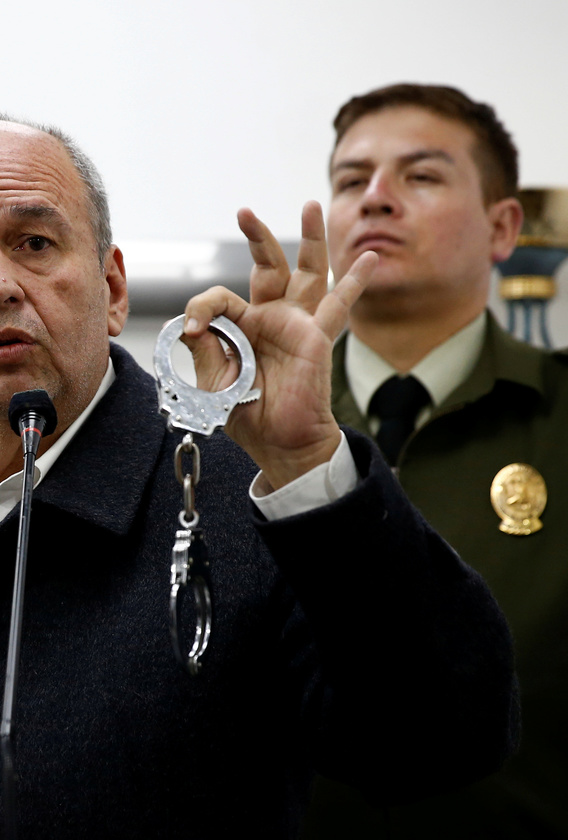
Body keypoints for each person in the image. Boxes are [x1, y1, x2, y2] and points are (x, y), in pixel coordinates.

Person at [0, 116, 517, 840]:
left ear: (112, 290)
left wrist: (306, 467)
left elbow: (439, 745)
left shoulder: (242, 501)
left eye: (34, 244)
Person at [297, 83, 568, 840]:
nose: (375, 198)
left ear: (503, 227)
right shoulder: (246, 435)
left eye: (420, 175)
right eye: (351, 180)